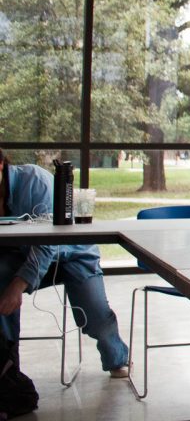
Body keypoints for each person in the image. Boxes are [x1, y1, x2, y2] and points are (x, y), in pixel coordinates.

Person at [0, 149, 130, 376]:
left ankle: (117, 358)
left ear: (1, 165)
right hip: (23, 256)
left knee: (96, 319)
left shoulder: (34, 181)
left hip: (74, 253)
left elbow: (47, 243)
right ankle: (8, 370)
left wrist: (17, 286)